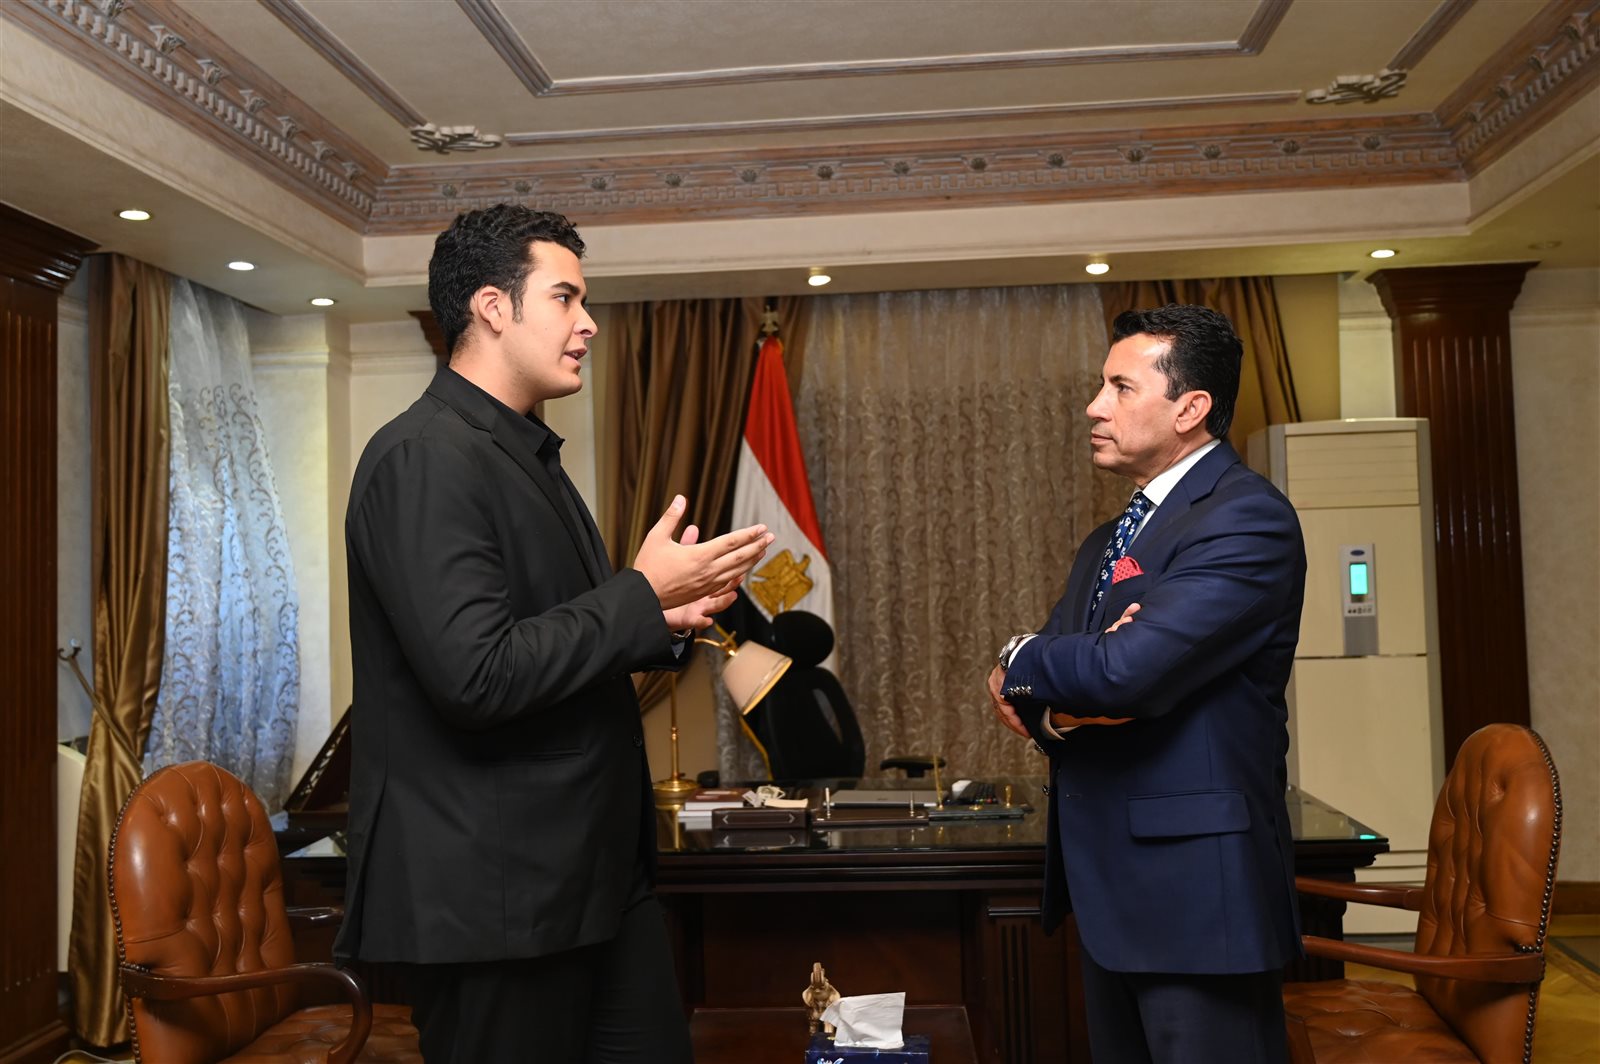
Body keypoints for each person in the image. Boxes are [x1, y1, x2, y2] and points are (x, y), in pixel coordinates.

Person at [336, 204, 772, 1063]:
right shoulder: (425, 456)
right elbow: (477, 676)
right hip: (497, 900)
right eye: (565, 298)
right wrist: (638, 594)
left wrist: (660, 617)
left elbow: (554, 638)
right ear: (493, 307)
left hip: (591, 880)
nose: (588, 323)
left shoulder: (522, 450)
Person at [987, 304, 1306, 1064]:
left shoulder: (1245, 518)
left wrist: (1030, 655)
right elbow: (1047, 687)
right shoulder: (1109, 538)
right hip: (1108, 892)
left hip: (1197, 900)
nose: (1094, 407)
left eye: (1120, 388)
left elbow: (1120, 673)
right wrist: (1066, 695)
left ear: (1190, 409)